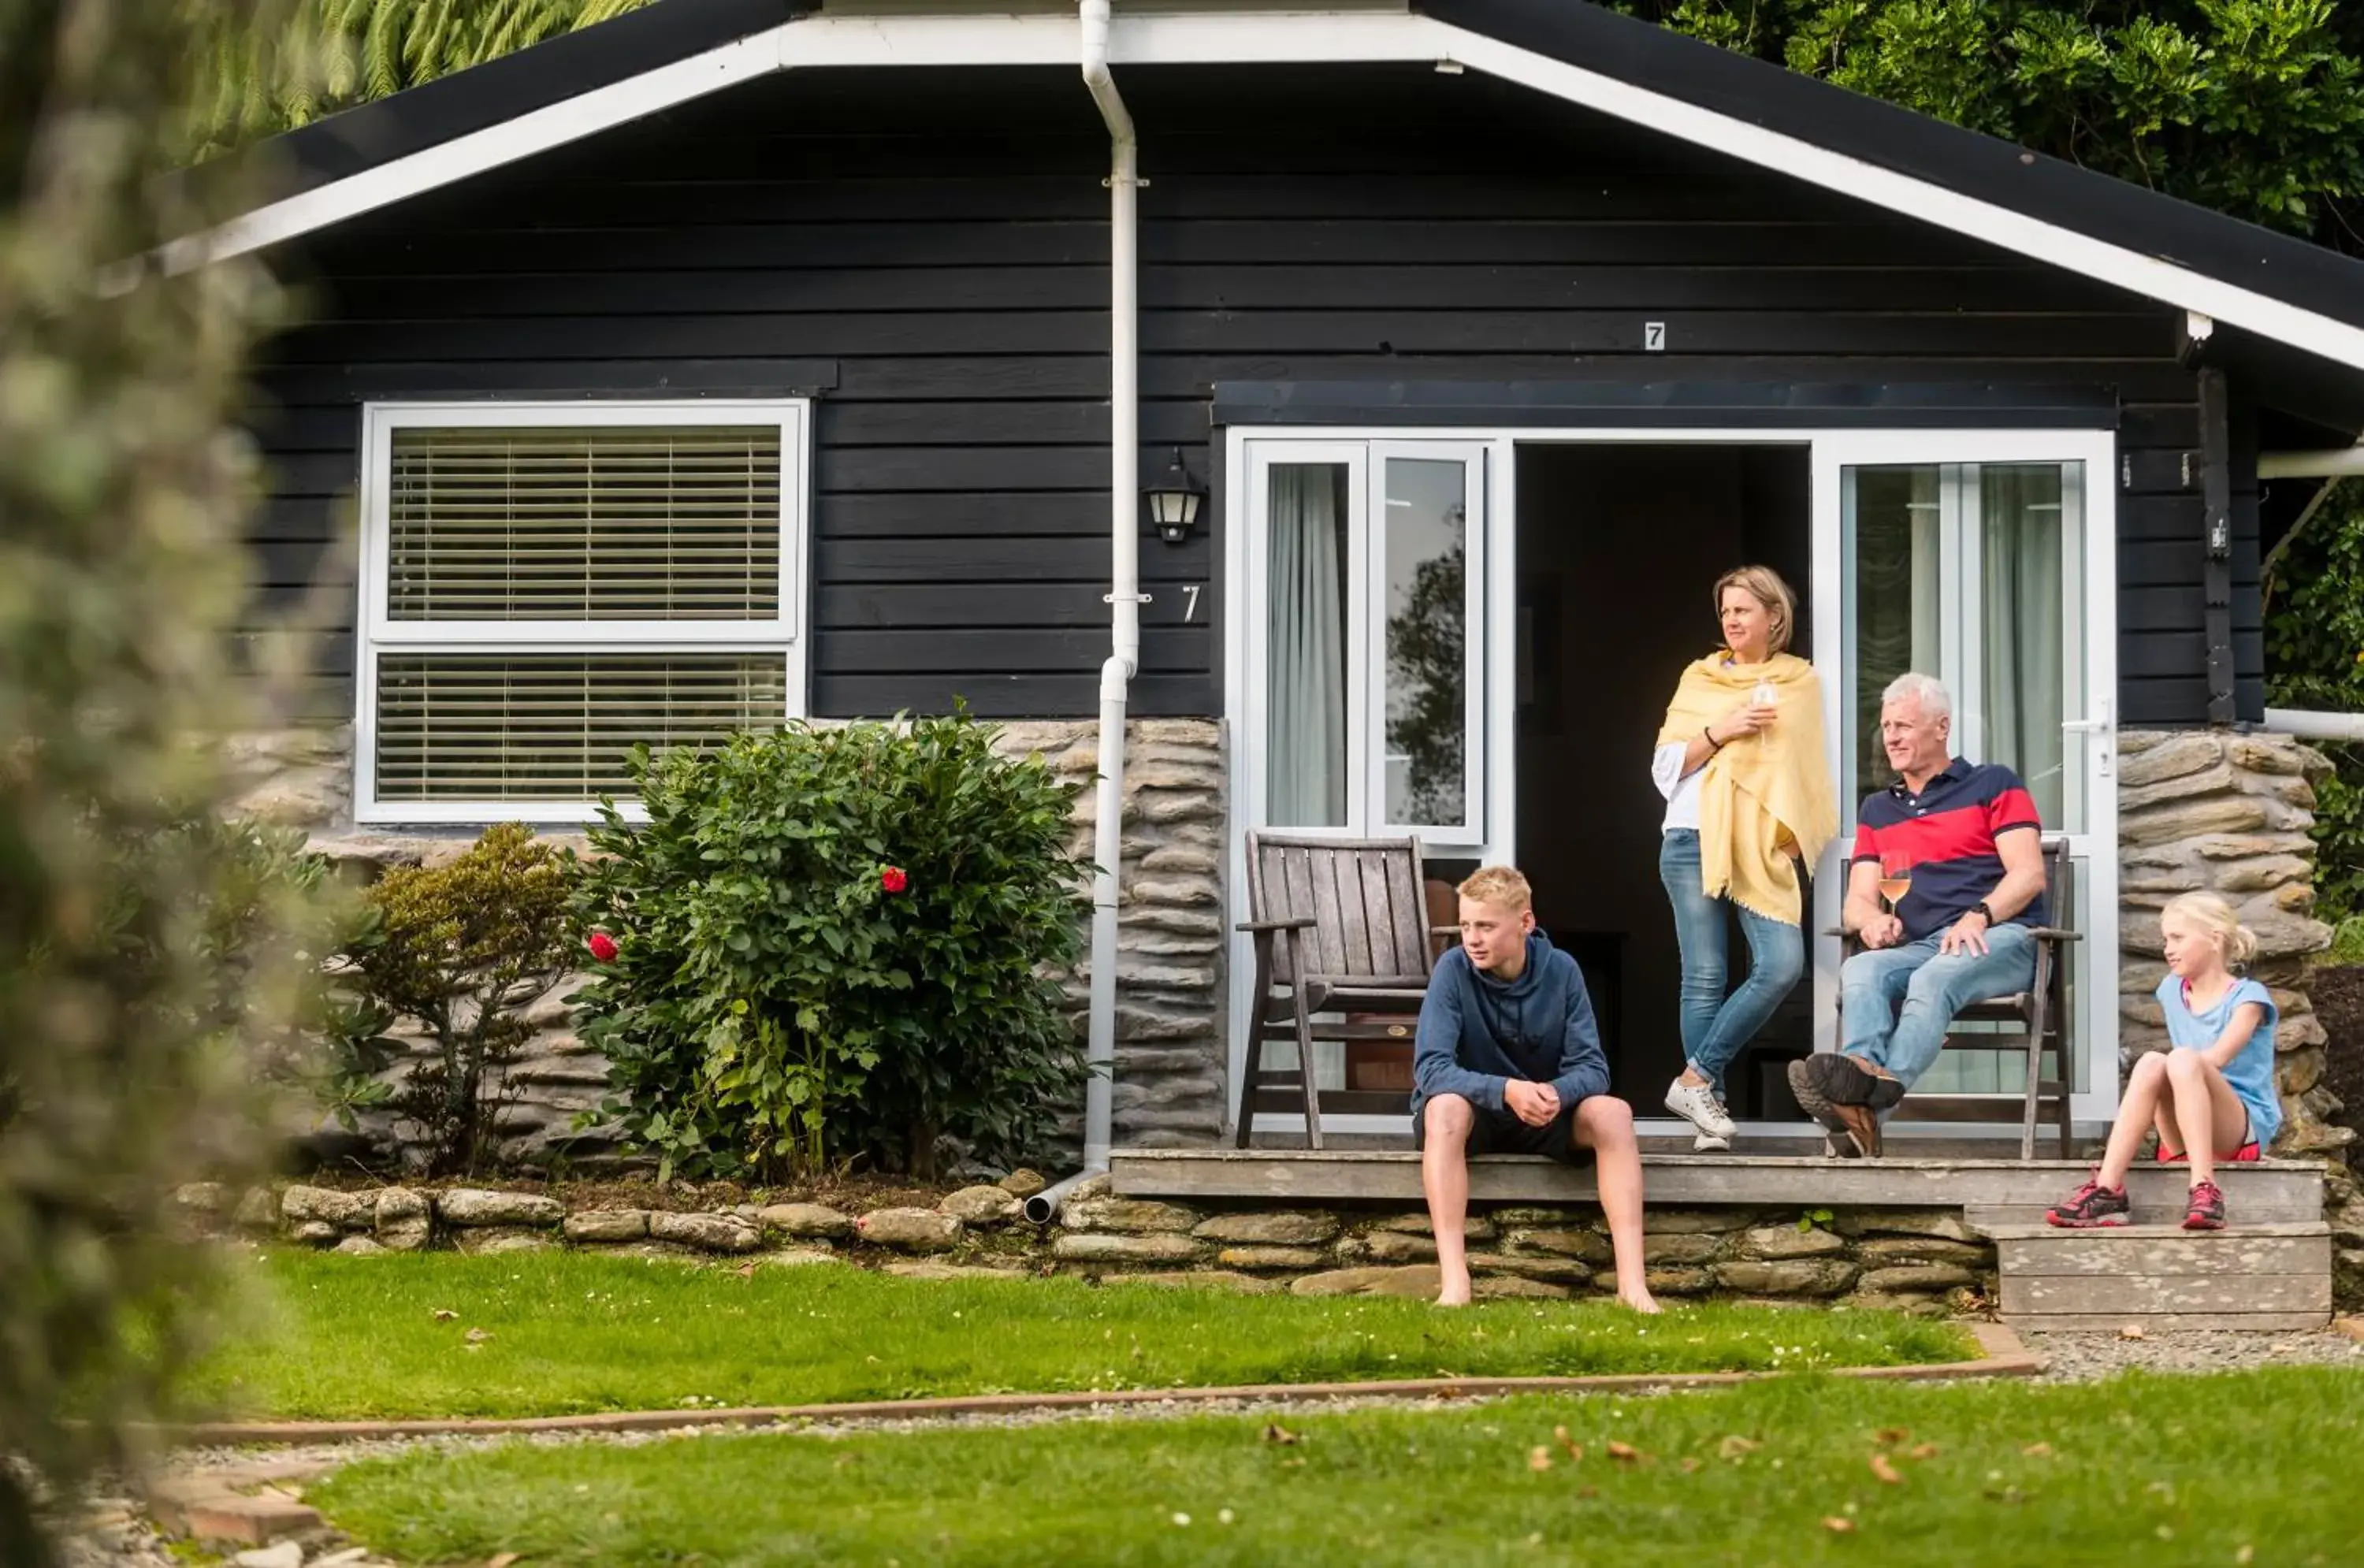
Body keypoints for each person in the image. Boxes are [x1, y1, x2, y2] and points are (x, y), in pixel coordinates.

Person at [1789, 672, 2050, 1157]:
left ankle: (1864, 1107)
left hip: (2004, 937)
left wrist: (1979, 915)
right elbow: (1857, 900)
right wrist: (1870, 920)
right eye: (1886, 726)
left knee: (1933, 979)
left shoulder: (1994, 783)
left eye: (1904, 725)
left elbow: (2029, 874)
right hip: (1927, 945)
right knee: (1862, 965)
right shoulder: (1878, 810)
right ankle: (1861, 1075)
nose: (1891, 736)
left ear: (1942, 727)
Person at [1411, 866, 1658, 1312]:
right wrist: (1506, 1090)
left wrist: (1556, 1094)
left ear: (1525, 923)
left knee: (1613, 1113)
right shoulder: (1452, 970)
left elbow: (1592, 1067)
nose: (1472, 938)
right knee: (1443, 1107)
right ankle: (1456, 1284)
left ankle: (1632, 1287)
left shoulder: (1562, 971)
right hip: (1475, 1116)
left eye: (1485, 926)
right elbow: (1432, 1070)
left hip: (1545, 1113)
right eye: (1466, 926)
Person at [1652, 565, 1837, 1152]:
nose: (1731, 621)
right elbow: (1663, 772)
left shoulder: (1799, 683)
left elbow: (1807, 772)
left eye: (1743, 611)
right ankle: (1713, 1112)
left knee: (1782, 964)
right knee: (1703, 977)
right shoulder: (1699, 679)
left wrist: (1797, 831)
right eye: (1726, 611)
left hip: (1758, 844)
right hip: (1690, 836)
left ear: (1773, 617)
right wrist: (1721, 729)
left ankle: (1695, 1078)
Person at [2048, 893, 2280, 1231]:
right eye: (2165, 939)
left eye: (2178, 938)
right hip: (2185, 1128)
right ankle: (2107, 1190)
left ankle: (2204, 1187)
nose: (2167, 948)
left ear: (2214, 939)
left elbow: (2216, 1059)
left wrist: (2182, 1064)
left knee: (2181, 1058)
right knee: (2152, 1062)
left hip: (2241, 1132)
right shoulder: (2170, 990)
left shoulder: (2249, 998)